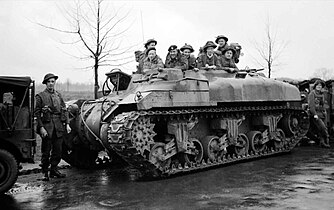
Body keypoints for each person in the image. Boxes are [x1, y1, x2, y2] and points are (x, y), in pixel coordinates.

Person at [35, 73, 71, 181]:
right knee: (46, 151)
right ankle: (45, 172)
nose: (51, 84)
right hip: (47, 127)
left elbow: (65, 110)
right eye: (49, 82)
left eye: (52, 81)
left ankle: (54, 170)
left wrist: (68, 124)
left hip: (58, 127)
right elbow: (36, 113)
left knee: (58, 151)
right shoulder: (40, 96)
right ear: (46, 83)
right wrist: (41, 127)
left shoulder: (58, 95)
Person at [308, 80, 330, 148]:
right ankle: (326, 140)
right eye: (318, 85)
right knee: (323, 128)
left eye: (320, 86)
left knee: (322, 128)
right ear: (315, 86)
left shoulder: (321, 94)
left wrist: (324, 109)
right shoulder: (312, 94)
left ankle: (322, 143)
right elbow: (311, 106)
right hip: (315, 114)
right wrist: (314, 114)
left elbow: (323, 104)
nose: (319, 87)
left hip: (322, 113)